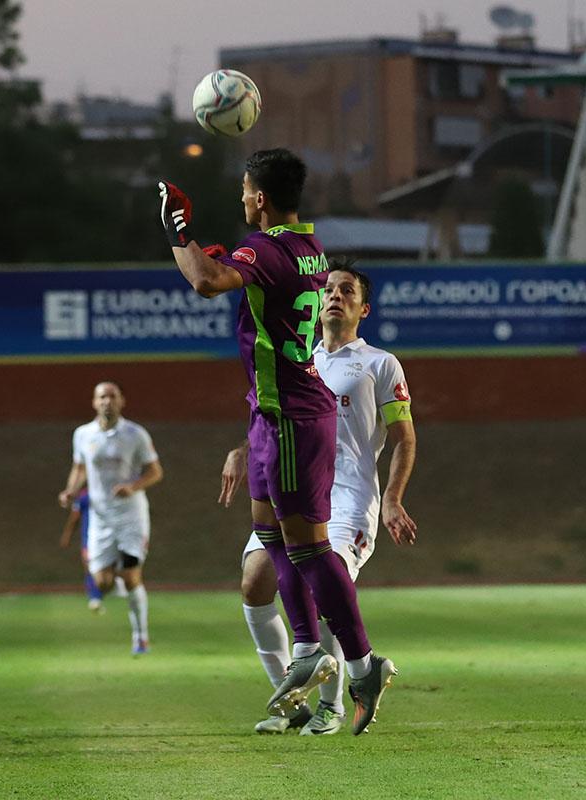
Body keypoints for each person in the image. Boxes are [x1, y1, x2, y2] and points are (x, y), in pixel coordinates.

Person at [158, 149, 397, 735]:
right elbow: (248, 277)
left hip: (293, 415)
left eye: (244, 190)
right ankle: (309, 649)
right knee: (271, 538)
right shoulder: (305, 246)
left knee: (308, 548)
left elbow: (206, 282)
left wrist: (176, 229)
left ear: (259, 198)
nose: (242, 199)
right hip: (268, 416)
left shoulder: (267, 248)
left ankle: (364, 663)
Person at [219, 260, 417, 735]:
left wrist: (392, 498)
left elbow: (405, 437)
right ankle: (291, 703)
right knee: (253, 580)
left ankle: (330, 706)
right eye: (328, 288)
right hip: (296, 486)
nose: (334, 296)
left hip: (349, 498)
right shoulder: (301, 360)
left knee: (317, 585)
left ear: (363, 308)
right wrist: (243, 450)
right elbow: (279, 423)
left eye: (346, 291)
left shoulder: (379, 364)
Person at [58, 382, 163, 653]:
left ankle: (141, 637)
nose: (107, 401)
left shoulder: (135, 434)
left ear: (121, 401)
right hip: (100, 516)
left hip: (130, 515)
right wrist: (70, 491)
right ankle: (113, 579)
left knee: (130, 575)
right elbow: (79, 468)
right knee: (101, 581)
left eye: (112, 396)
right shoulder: (83, 434)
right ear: (94, 402)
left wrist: (133, 487)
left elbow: (155, 471)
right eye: (102, 396)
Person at [57, 488, 106, 612]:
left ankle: (106, 590)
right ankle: (94, 597)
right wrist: (67, 535)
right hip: (89, 539)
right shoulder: (84, 496)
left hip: (108, 537)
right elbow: (74, 517)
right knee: (89, 567)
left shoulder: (108, 492)